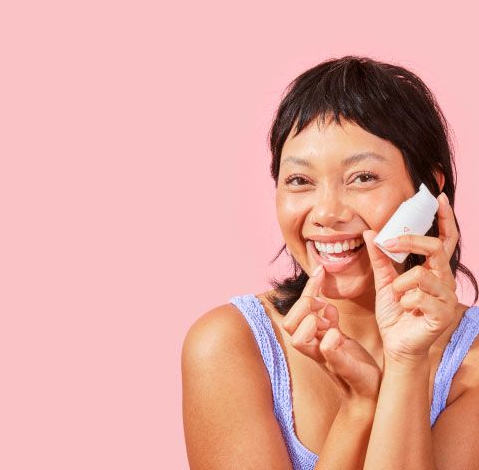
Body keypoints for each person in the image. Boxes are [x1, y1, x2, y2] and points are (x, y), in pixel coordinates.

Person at [181, 56, 479, 470]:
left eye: (362, 177)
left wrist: (405, 365)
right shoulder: (232, 345)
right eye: (300, 181)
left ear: (428, 190)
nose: (326, 213)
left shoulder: (473, 363)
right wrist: (359, 408)